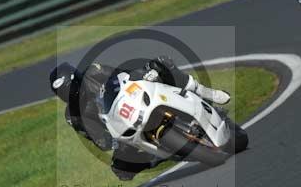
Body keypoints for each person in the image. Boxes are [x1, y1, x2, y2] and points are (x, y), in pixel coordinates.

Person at [49, 56, 230, 180]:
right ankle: (158, 156)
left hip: (132, 97)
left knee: (160, 64)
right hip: (122, 129)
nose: (71, 94)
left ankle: (205, 92)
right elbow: (99, 140)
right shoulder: (72, 116)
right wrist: (111, 141)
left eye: (72, 87)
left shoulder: (93, 72)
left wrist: (144, 74)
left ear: (78, 79)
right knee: (121, 170)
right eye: (65, 93)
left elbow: (122, 74)